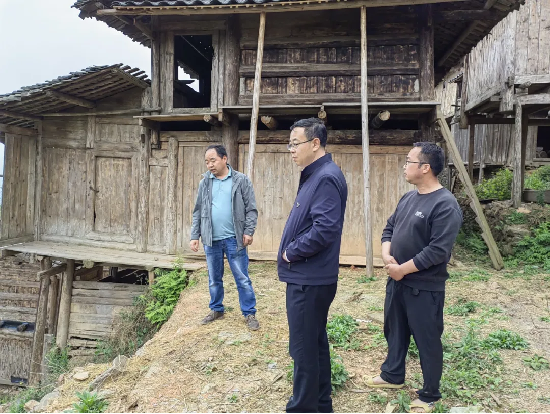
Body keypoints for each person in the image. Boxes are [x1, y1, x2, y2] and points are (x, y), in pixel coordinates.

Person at [365, 142, 463, 413]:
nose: (405, 166)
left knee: (426, 340)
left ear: (425, 168)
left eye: (409, 161)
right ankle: (392, 375)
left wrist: (403, 269)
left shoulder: (445, 204)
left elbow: (438, 251)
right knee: (394, 331)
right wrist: (387, 253)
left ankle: (430, 394)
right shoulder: (409, 198)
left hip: (424, 287)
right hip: (397, 281)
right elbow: (390, 227)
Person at [278, 118, 348, 413]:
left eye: (296, 144)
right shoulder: (315, 175)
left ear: (315, 143)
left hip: (309, 277)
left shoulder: (325, 177)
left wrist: (291, 252)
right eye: (290, 144)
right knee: (314, 343)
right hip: (310, 276)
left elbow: (325, 229)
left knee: (303, 350)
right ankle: (320, 403)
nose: (291, 150)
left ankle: (303, 407)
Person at [190, 144, 260, 331]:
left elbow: (251, 209)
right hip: (211, 239)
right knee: (214, 278)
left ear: (224, 159)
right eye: (207, 162)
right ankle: (216, 309)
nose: (210, 165)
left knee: (242, 278)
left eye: (213, 160)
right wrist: (194, 235)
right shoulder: (205, 183)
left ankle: (249, 313)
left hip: (234, 238)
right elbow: (198, 211)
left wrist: (249, 231)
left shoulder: (241, 180)